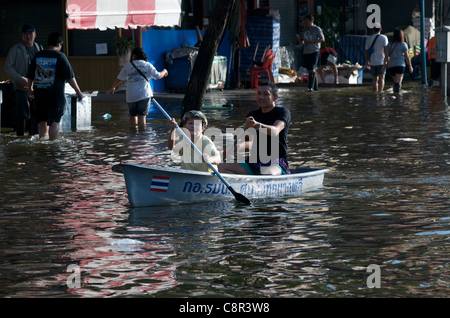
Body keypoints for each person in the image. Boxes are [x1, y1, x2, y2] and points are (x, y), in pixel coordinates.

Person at [218, 81, 291, 175]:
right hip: (253, 163)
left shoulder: (283, 112)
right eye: (259, 93)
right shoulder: (253, 114)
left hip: (274, 163)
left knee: (268, 174)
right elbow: (248, 140)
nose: (261, 97)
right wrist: (234, 148)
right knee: (221, 167)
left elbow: (275, 131)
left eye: (266, 94)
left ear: (275, 97)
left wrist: (257, 125)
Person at [27, 32, 83, 140]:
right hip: (55, 95)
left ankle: (42, 141)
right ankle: (53, 145)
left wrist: (30, 89)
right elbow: (70, 77)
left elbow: (30, 75)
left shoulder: (38, 55)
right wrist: (78, 92)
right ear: (59, 44)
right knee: (55, 120)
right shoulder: (60, 56)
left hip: (39, 94)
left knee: (42, 120)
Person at [107, 47, 168, 127]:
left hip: (131, 95)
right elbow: (158, 76)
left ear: (134, 55)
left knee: (132, 116)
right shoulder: (147, 65)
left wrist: (113, 87)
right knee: (142, 116)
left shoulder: (128, 66)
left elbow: (119, 78)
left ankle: (133, 135)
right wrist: (164, 71)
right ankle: (141, 136)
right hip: (144, 95)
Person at [4, 24, 43, 136]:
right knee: (22, 113)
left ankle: (34, 137)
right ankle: (20, 138)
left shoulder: (39, 48)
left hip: (36, 87)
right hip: (21, 87)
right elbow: (7, 67)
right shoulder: (16, 49)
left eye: (30, 33)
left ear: (35, 35)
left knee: (35, 113)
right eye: (25, 33)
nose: (28, 36)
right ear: (22, 35)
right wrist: (20, 79)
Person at [296, 15, 324, 91]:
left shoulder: (317, 29)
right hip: (306, 52)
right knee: (311, 70)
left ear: (312, 21)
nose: (306, 23)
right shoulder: (305, 30)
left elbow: (322, 39)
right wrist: (299, 39)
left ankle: (310, 88)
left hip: (314, 51)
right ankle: (315, 88)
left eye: (307, 22)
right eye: (305, 22)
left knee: (312, 69)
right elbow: (302, 42)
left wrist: (312, 42)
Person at [385, 28, 413, 93]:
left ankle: (394, 95)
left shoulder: (389, 44)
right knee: (398, 82)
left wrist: (386, 64)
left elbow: (386, 56)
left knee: (395, 81)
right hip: (400, 65)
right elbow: (407, 57)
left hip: (392, 65)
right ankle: (397, 98)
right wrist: (410, 66)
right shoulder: (403, 44)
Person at [365, 22, 389, 92]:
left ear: (372, 29)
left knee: (374, 79)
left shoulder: (369, 39)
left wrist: (367, 62)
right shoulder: (384, 38)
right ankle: (380, 93)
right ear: (381, 29)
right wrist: (387, 61)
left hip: (372, 62)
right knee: (381, 79)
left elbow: (366, 52)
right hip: (381, 62)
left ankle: (375, 93)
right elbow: (385, 50)